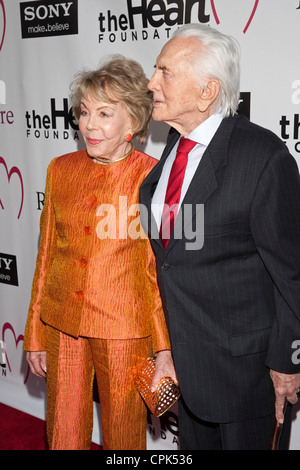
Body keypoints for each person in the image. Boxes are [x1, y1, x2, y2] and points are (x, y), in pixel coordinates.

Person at [139, 24, 300, 450]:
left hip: (247, 378)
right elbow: (169, 262)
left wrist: (287, 360)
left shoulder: (262, 157)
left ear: (207, 91)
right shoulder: (172, 147)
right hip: (188, 374)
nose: (151, 82)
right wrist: (166, 352)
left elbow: (292, 273)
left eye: (165, 72)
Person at [23, 55, 176, 451]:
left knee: (124, 437)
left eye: (105, 113)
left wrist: (164, 350)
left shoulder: (153, 177)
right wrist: (35, 332)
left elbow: (155, 270)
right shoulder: (60, 168)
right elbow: (45, 257)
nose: (90, 124)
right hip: (61, 324)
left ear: (134, 123)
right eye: (85, 111)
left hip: (125, 329)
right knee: (63, 433)